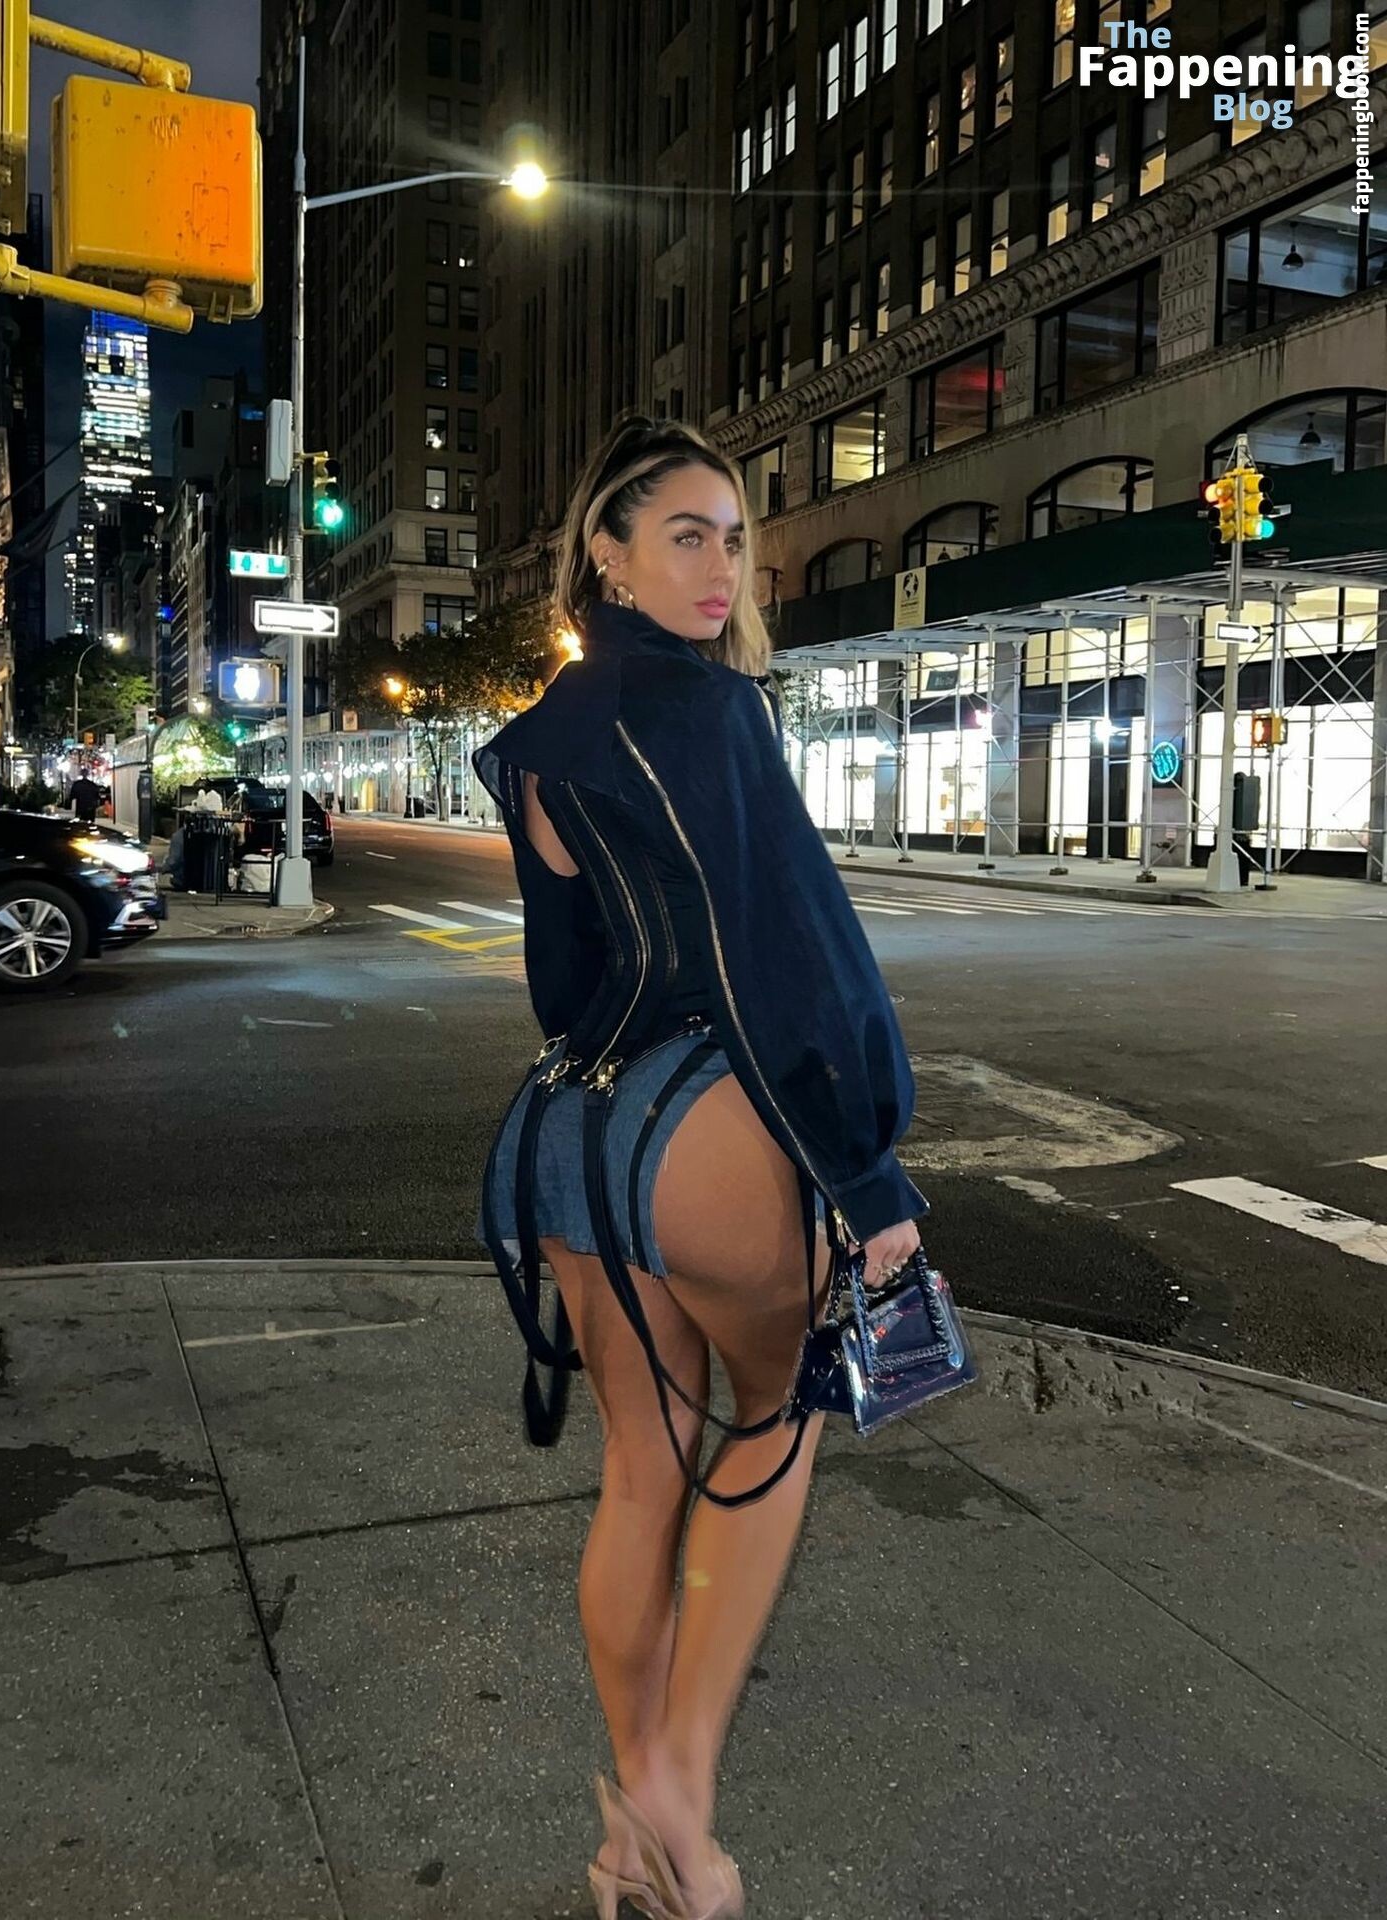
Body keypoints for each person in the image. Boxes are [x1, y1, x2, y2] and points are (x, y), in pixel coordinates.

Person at [472, 417, 926, 1920]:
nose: (721, 567)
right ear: (607, 553)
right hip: (713, 1132)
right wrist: (864, 1172)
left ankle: (637, 1833)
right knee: (777, 1423)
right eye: (686, 535)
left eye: (733, 539)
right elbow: (786, 959)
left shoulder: (540, 737)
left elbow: (561, 984)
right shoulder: (709, 708)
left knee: (638, 1474)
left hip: (573, 1136)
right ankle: (678, 1782)